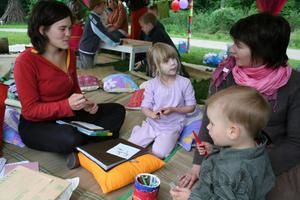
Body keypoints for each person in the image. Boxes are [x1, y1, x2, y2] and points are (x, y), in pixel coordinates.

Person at [178, 13, 300, 200]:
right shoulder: (227, 75)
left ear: (262, 50)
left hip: (271, 156)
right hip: (228, 150)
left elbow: (295, 142)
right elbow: (210, 118)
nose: (231, 50)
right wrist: (198, 165)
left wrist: (253, 168)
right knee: (212, 182)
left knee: (282, 194)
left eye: (239, 45)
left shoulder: (294, 84)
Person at [13, 1, 125, 168]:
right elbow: (30, 111)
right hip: (37, 124)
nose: (69, 34)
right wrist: (67, 105)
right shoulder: (26, 61)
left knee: (117, 111)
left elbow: (74, 90)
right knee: (70, 137)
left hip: (68, 115)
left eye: (70, 28)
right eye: (62, 29)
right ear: (43, 30)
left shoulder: (69, 54)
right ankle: (93, 140)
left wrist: (85, 104)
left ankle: (85, 145)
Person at [170, 85, 275, 199]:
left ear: (232, 132)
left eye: (212, 123)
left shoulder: (231, 172)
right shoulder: (255, 149)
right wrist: (214, 150)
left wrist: (192, 198)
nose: (208, 127)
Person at [128, 43, 196, 158]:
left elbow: (191, 107)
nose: (173, 63)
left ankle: (168, 138)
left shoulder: (185, 82)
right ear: (155, 66)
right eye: (166, 61)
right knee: (131, 145)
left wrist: (174, 109)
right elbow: (145, 107)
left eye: (174, 58)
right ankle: (139, 131)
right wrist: (152, 114)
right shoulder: (151, 85)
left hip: (172, 126)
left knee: (159, 153)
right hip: (152, 124)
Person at [135, 12, 189, 78]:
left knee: (152, 73)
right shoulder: (155, 31)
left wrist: (143, 62)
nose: (142, 29)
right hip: (168, 58)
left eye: (142, 26)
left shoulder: (156, 34)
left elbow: (155, 54)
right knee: (150, 71)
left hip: (171, 59)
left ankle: (179, 72)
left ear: (149, 25)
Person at [78, 0, 120, 69]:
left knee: (89, 69)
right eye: (102, 8)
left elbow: (98, 30)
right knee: (87, 70)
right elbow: (103, 33)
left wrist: (105, 28)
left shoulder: (93, 17)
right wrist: (118, 41)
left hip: (88, 49)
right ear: (96, 6)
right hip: (87, 49)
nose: (103, 10)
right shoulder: (94, 18)